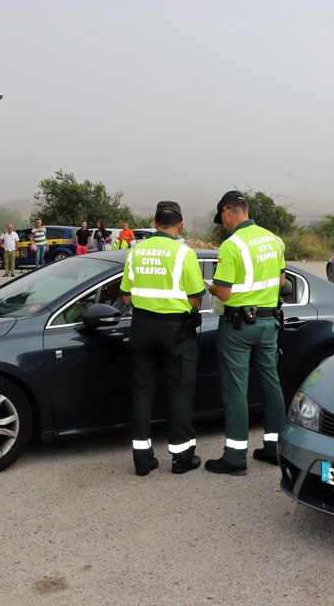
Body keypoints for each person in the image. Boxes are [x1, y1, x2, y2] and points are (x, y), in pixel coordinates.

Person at [120, 201, 206, 477]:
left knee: (142, 393)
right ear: (180, 225)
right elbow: (196, 296)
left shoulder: (135, 251)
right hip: (175, 330)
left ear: (155, 223)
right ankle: (182, 459)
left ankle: (142, 460)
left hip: (142, 326)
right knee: (179, 392)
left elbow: (126, 296)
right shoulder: (184, 253)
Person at [205, 190, 286, 476]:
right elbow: (281, 279)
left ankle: (235, 457)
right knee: (271, 383)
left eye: (222, 219)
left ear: (228, 211)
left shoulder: (232, 245)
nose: (223, 224)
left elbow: (224, 292)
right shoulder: (273, 240)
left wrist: (211, 287)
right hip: (268, 323)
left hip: (238, 327)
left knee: (235, 388)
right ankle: (275, 449)